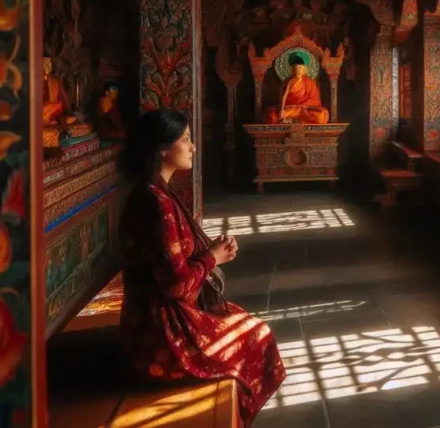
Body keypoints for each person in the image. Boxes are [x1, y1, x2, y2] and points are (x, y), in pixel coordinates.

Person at [118, 109, 285, 425]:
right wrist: (213, 258)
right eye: (186, 139)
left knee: (242, 320)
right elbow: (175, 286)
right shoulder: (156, 202)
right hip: (160, 334)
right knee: (258, 335)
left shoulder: (155, 191)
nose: (193, 147)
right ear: (161, 149)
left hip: (149, 319)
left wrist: (210, 251)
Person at [263, 59, 329, 124]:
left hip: (305, 110)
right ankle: (293, 120)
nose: (298, 70)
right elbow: (283, 97)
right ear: (292, 70)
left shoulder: (310, 82)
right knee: (272, 116)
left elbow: (315, 100)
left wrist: (303, 106)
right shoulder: (287, 81)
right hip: (290, 109)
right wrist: (282, 110)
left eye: (300, 68)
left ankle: (292, 120)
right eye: (296, 68)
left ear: (304, 70)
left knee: (321, 115)